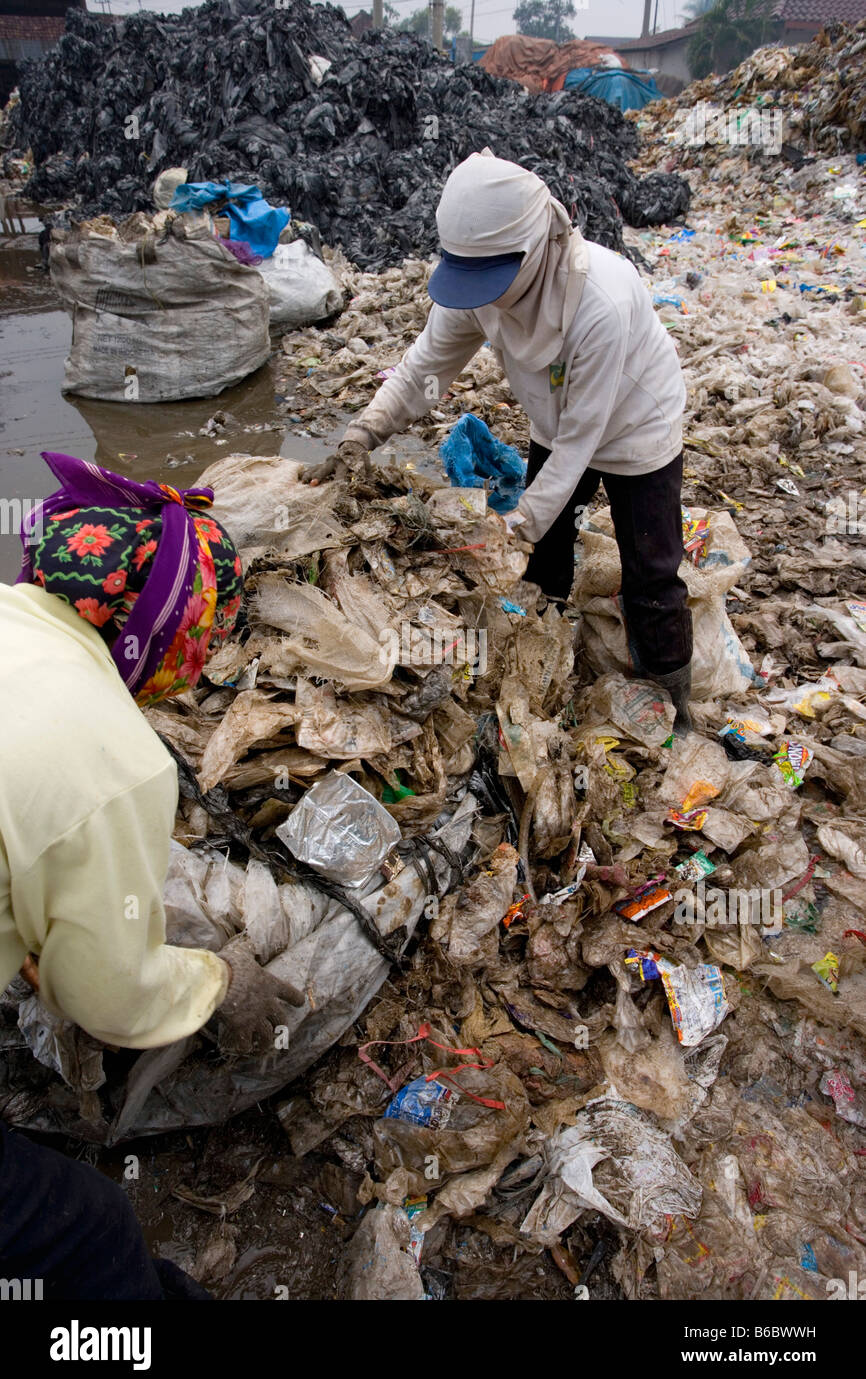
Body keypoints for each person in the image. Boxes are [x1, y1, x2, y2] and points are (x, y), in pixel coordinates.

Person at [0, 452, 302, 1300]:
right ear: (170, 626)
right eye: (206, 635)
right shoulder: (114, 755)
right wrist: (220, 980)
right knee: (84, 1230)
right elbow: (108, 993)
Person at [304, 150, 692, 733]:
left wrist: (514, 524)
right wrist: (362, 434)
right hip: (557, 423)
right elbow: (423, 372)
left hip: (637, 428)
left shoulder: (599, 302)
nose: (479, 293)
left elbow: (581, 443)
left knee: (651, 572)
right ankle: (551, 661)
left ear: (533, 250)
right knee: (546, 560)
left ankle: (670, 702)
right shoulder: (482, 289)